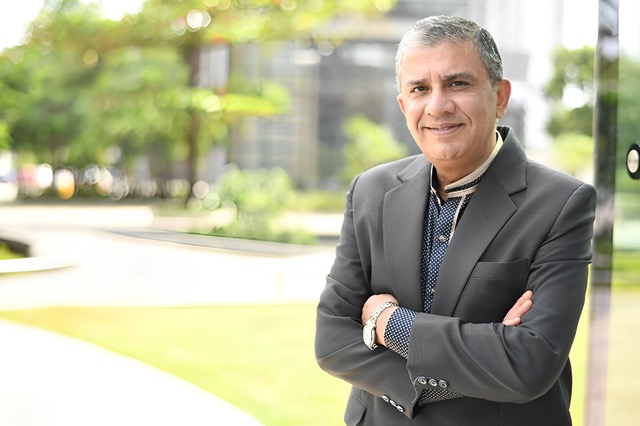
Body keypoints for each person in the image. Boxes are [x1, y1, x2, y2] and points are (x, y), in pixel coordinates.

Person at [315, 15, 596, 426]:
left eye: (458, 83)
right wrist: (476, 361)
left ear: (500, 97)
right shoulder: (370, 191)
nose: (437, 106)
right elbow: (332, 341)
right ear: (403, 105)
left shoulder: (561, 203)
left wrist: (387, 322)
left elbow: (529, 363)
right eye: (419, 89)